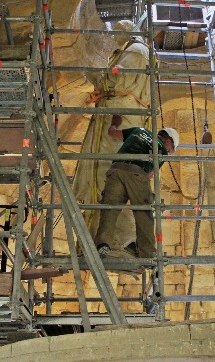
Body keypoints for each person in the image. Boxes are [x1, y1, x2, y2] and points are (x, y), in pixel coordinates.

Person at [73, 19, 151, 245]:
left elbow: (119, 79)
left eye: (117, 31)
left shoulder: (136, 50)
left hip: (120, 116)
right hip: (115, 114)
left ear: (127, 31)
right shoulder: (130, 51)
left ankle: (113, 240)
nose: (114, 36)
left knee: (109, 173)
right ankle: (101, 238)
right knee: (102, 173)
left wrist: (100, 78)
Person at [94, 118, 179, 259]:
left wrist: (115, 121)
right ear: (168, 141)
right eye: (171, 149)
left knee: (110, 209)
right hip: (137, 172)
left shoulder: (138, 130)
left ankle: (103, 244)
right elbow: (149, 174)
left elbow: (112, 133)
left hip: (116, 169)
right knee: (144, 214)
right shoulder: (161, 149)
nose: (168, 151)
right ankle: (147, 254)